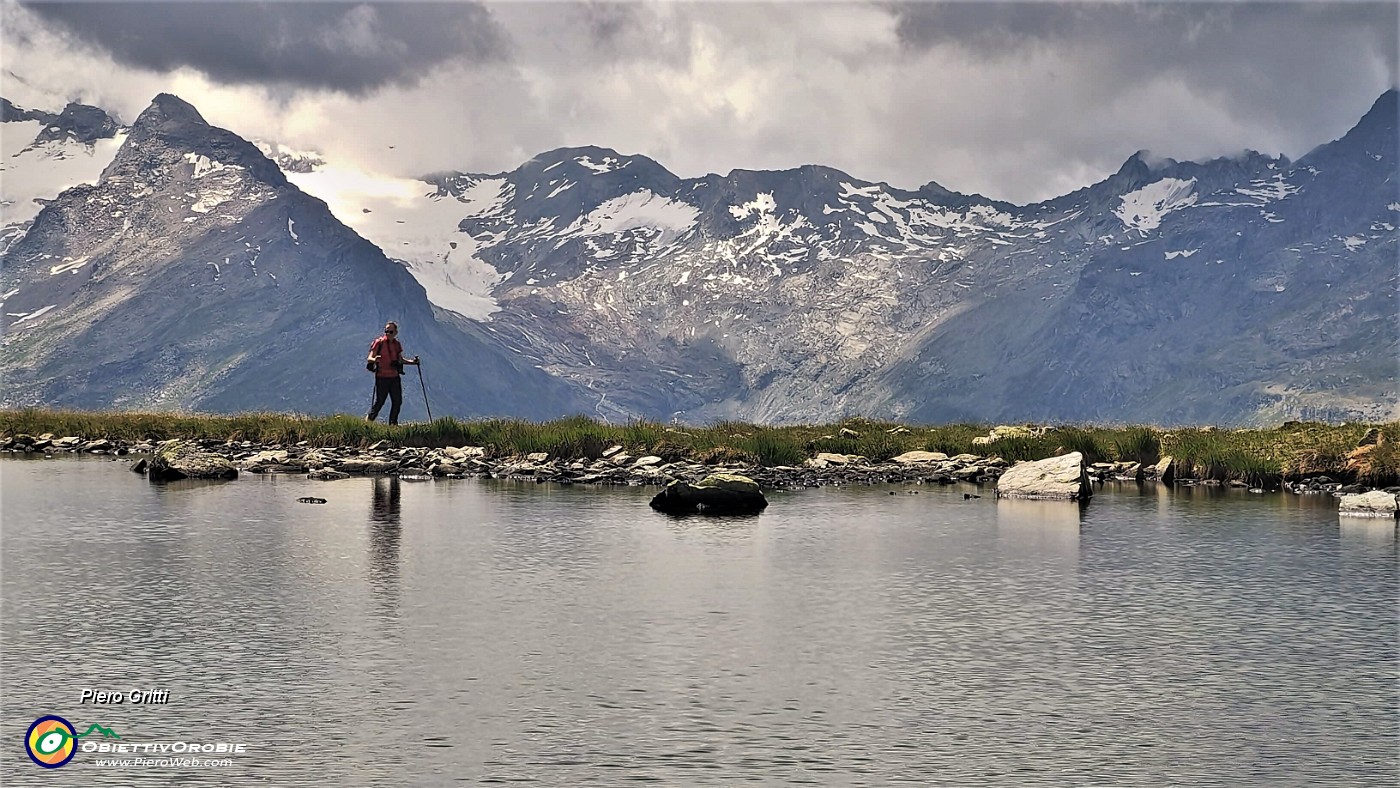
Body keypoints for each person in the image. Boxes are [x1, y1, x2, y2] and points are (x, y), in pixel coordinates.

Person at [365, 321, 419, 425]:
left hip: (394, 377)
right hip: (382, 377)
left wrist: (413, 362)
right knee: (380, 401)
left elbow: (400, 360)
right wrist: (374, 359)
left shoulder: (397, 344)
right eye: (386, 331)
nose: (387, 333)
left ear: (395, 332)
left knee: (397, 401)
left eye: (390, 331)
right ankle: (368, 421)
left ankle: (393, 424)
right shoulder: (379, 343)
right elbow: (369, 358)